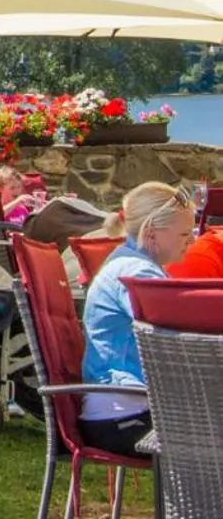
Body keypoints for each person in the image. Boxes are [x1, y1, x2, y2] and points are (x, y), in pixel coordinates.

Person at [80, 182, 198, 457]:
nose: (192, 240)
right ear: (152, 232)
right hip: (126, 417)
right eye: (184, 233)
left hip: (119, 410)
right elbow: (174, 342)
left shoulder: (125, 262)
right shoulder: (138, 274)